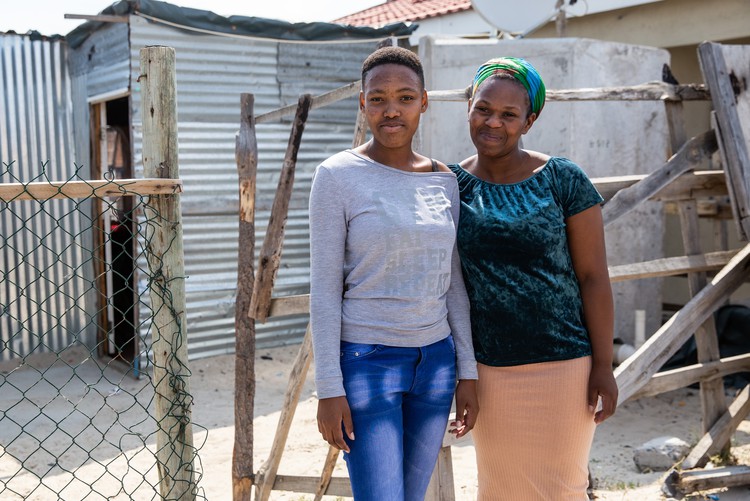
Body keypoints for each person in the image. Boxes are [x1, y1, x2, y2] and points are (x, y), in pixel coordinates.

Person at [308, 45, 478, 501]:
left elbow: (454, 284)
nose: (391, 111)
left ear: (423, 102)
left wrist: (468, 372)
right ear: (362, 103)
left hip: (437, 364)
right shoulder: (338, 175)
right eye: (378, 98)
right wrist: (328, 388)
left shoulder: (445, 180)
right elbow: (324, 290)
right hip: (368, 361)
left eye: (405, 98)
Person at [448, 57, 618, 500]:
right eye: (483, 108)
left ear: (530, 120)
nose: (493, 122)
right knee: (500, 488)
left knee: (563, 488)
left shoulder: (563, 180)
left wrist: (603, 365)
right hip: (491, 371)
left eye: (509, 114)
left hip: (563, 368)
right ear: (469, 105)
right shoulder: (451, 186)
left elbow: (593, 277)